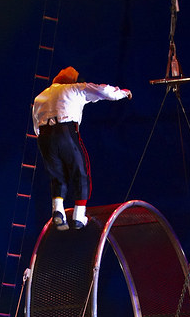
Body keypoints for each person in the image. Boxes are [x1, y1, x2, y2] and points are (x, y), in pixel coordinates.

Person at [32, 67, 132, 231]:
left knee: (57, 175)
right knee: (81, 171)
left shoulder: (40, 97)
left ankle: (58, 210)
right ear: (71, 81)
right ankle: (79, 216)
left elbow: (36, 125)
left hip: (44, 137)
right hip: (65, 132)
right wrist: (123, 92)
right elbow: (103, 91)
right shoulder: (74, 89)